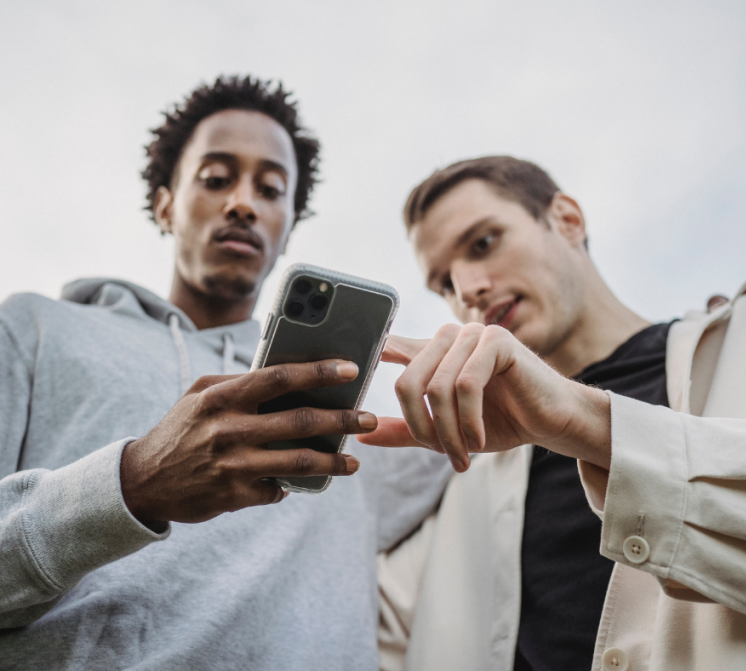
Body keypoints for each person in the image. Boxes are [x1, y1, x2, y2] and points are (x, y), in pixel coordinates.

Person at [0, 75, 449, 670]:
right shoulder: (34, 329)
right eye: (216, 179)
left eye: (271, 189)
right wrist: (132, 485)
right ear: (165, 205)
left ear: (287, 228)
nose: (243, 202)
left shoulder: (358, 415)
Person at [363, 156, 746, 671]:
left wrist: (585, 423)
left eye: (483, 243)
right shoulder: (461, 486)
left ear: (567, 220)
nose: (467, 291)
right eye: (443, 285)